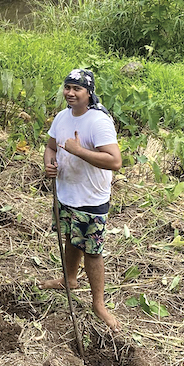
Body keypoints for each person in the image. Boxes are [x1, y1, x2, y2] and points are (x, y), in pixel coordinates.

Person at [39, 69, 122, 332]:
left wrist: (79, 151)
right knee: (70, 238)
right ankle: (70, 279)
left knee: (92, 251)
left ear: (89, 93)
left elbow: (115, 161)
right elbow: (51, 146)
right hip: (66, 192)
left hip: (91, 197)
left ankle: (99, 304)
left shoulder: (98, 122)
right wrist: (49, 163)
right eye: (68, 87)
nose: (71, 93)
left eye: (77, 89)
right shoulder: (62, 117)